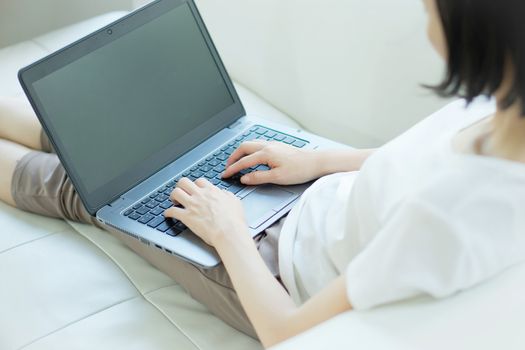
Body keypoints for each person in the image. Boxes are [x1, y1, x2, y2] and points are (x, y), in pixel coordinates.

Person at [1, 0, 524, 347]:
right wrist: (316, 161)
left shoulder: (448, 217)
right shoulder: (502, 110)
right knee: (118, 153)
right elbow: (419, 164)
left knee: (91, 190)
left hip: (276, 273)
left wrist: (229, 234)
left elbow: (289, 333)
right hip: (313, 196)